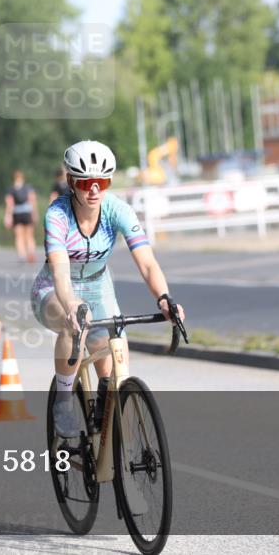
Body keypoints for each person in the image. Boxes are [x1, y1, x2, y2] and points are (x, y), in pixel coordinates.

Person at [29, 141, 184, 443]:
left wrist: (164, 297)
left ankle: (106, 417)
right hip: (55, 287)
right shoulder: (57, 215)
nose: (95, 190)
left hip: (99, 286)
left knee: (114, 366)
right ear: (72, 182)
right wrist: (71, 303)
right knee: (73, 327)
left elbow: (147, 263)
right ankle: (63, 400)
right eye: (87, 182)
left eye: (103, 182)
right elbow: (60, 273)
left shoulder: (118, 210)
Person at [4, 169, 38, 263]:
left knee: (19, 236)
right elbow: (32, 200)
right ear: (22, 177)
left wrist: (8, 216)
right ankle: (31, 252)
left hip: (17, 213)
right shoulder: (28, 187)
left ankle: (22, 255)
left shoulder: (10, 189)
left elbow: (9, 204)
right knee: (29, 235)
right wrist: (35, 213)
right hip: (27, 212)